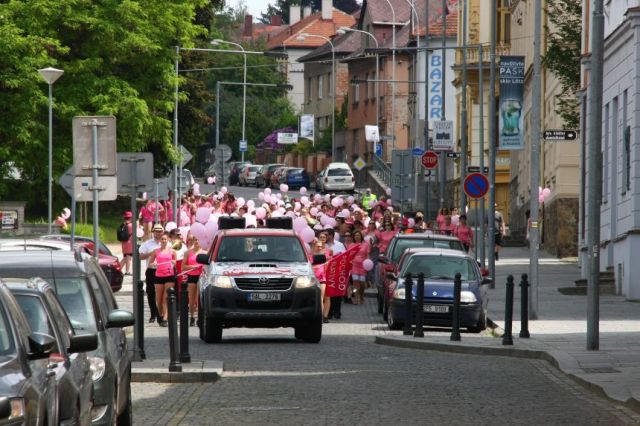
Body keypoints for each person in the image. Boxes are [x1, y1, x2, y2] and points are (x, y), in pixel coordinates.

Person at [147, 231, 177, 327]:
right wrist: (154, 264)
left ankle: (165, 318)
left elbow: (175, 262)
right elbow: (150, 264)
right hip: (159, 276)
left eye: (165, 239)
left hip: (169, 275)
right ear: (160, 240)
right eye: (162, 239)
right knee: (158, 300)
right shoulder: (156, 251)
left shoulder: (172, 251)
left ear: (168, 240)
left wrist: (173, 261)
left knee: (165, 298)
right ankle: (160, 315)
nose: (163, 241)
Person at [138, 224, 164, 323]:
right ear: (153, 232)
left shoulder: (167, 243)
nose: (158, 233)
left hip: (163, 270)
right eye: (156, 231)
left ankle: (161, 313)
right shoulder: (147, 243)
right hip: (152, 269)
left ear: (163, 232)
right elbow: (141, 257)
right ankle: (153, 314)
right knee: (151, 292)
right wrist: (151, 253)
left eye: (160, 231)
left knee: (162, 293)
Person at [182, 236, 204, 327]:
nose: (196, 241)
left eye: (198, 239)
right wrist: (193, 267)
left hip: (201, 277)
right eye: (195, 240)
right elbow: (183, 266)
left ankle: (200, 317)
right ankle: (192, 317)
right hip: (191, 276)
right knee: (191, 300)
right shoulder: (188, 253)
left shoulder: (205, 252)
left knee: (199, 299)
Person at [311, 238, 331, 323]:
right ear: (314, 246)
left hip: (323, 278)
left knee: (322, 297)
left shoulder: (326, 255)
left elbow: (331, 265)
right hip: (313, 279)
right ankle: (319, 315)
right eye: (317, 246)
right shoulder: (310, 256)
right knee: (316, 298)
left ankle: (323, 316)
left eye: (321, 246)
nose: (319, 248)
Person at [350, 230, 371, 305]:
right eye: (355, 235)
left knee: (362, 283)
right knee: (355, 282)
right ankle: (356, 297)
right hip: (354, 266)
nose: (357, 236)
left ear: (361, 236)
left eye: (358, 235)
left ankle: (361, 295)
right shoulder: (351, 245)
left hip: (363, 266)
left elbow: (368, 255)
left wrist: (368, 263)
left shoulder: (366, 244)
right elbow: (349, 255)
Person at [119, 211, 134, 275]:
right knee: (128, 257)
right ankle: (124, 270)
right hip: (129, 242)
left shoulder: (122, 225)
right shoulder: (131, 225)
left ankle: (122, 270)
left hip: (123, 242)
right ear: (130, 218)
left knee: (126, 256)